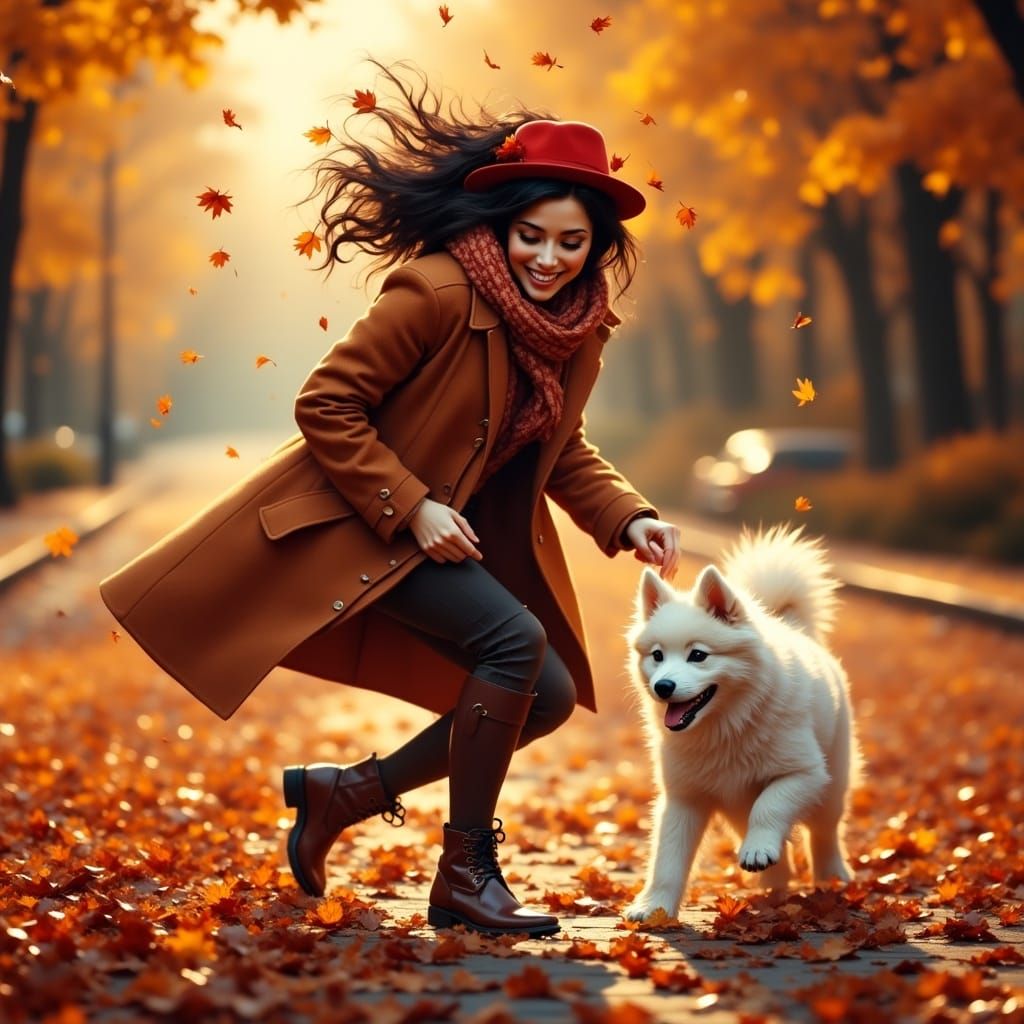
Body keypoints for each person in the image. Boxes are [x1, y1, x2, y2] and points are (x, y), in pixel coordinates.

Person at [99, 61, 681, 939]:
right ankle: (467, 870)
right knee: (512, 641)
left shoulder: (574, 328)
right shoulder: (438, 291)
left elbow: (559, 447)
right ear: (503, 223)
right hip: (362, 527)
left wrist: (629, 515)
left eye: (571, 243)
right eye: (533, 236)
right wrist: (410, 505)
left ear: (596, 246)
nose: (550, 259)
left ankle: (347, 794)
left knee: (549, 694)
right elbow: (326, 403)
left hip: (440, 533)